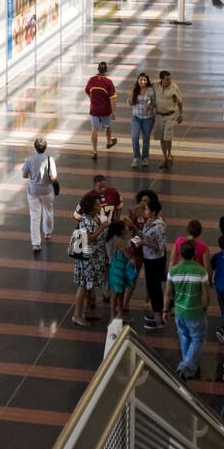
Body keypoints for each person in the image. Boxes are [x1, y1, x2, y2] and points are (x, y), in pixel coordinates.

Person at [164, 239, 210, 382]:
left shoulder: (173, 271)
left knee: (184, 338)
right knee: (198, 338)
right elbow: (206, 294)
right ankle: (185, 368)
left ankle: (190, 369)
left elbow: (167, 293)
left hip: (179, 312)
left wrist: (165, 310)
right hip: (195, 311)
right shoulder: (201, 271)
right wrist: (205, 307)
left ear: (180, 255)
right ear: (194, 255)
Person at [69, 193, 109, 327]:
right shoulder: (85, 220)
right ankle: (77, 315)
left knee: (89, 286)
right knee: (84, 286)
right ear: (91, 207)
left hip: (95, 258)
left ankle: (87, 311)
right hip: (87, 259)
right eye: (97, 205)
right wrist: (101, 228)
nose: (100, 206)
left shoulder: (95, 217)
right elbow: (87, 239)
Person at [135, 192, 167, 332]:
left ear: (153, 212)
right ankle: (157, 314)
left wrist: (145, 243)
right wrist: (135, 228)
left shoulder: (159, 227)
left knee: (154, 289)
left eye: (147, 209)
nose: (145, 211)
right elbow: (145, 235)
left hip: (155, 260)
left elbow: (160, 247)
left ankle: (158, 317)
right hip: (148, 258)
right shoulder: (149, 222)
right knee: (151, 286)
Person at [22, 136, 57, 254]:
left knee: (35, 216)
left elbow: (24, 175)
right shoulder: (49, 159)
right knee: (48, 211)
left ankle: (36, 243)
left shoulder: (29, 159)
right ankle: (47, 232)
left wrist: (33, 176)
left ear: (35, 147)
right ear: (45, 148)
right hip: (47, 191)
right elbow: (53, 177)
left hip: (33, 191)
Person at [85, 61, 118, 160]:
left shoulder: (91, 80)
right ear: (106, 70)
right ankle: (108, 142)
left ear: (98, 69)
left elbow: (87, 91)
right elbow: (112, 98)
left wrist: (93, 99)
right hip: (105, 110)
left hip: (94, 109)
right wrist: (113, 111)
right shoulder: (108, 82)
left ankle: (95, 151)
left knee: (94, 129)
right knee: (108, 126)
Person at [155, 70, 183, 171]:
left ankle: (170, 155)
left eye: (170, 78)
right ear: (161, 79)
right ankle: (164, 158)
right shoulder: (155, 85)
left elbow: (180, 101)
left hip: (170, 115)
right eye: (167, 79)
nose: (169, 80)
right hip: (158, 115)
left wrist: (181, 114)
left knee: (167, 137)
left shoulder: (174, 87)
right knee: (161, 138)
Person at [130, 72, 156, 168]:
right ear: (138, 80)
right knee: (135, 137)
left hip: (148, 119)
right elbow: (130, 103)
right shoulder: (135, 90)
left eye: (145, 80)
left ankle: (145, 158)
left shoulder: (150, 90)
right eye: (141, 79)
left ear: (147, 81)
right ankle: (136, 158)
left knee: (146, 139)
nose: (143, 81)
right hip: (136, 118)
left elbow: (154, 103)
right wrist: (132, 91)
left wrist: (150, 105)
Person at [105, 221, 130, 321]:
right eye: (126, 226)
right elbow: (127, 254)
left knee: (120, 292)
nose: (128, 227)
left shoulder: (118, 240)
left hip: (117, 268)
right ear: (122, 230)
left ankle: (119, 314)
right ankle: (113, 316)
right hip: (117, 270)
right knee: (115, 293)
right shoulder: (120, 241)